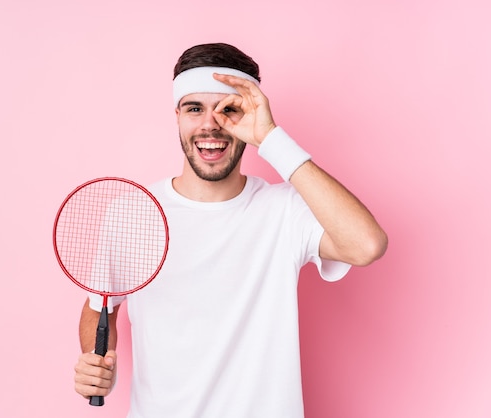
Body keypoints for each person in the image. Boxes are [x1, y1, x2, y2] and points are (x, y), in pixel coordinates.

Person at [73, 43, 388, 417]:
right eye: (195, 109)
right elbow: (100, 308)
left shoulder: (284, 209)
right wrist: (94, 363)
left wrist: (271, 139)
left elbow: (366, 245)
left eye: (229, 110)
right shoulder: (132, 213)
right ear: (177, 115)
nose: (210, 124)